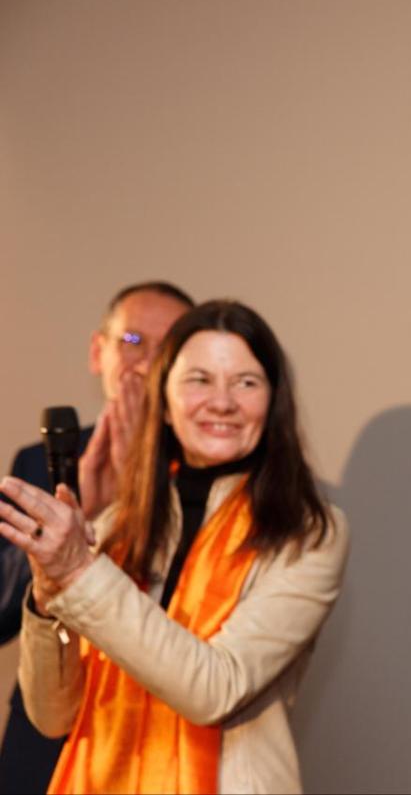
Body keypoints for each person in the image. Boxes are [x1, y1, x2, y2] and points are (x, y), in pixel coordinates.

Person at [0, 299, 349, 794]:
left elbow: (214, 689)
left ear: (273, 403)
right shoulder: (122, 518)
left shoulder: (309, 532)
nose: (222, 402)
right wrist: (48, 585)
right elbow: (54, 715)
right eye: (199, 380)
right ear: (163, 402)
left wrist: (78, 572)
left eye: (245, 382)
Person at [0, 280, 193, 795]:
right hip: (43, 737)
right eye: (132, 343)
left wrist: (138, 498)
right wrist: (79, 512)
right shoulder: (38, 462)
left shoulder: (203, 473)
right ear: (97, 351)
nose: (146, 363)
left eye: (168, 349)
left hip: (155, 739)